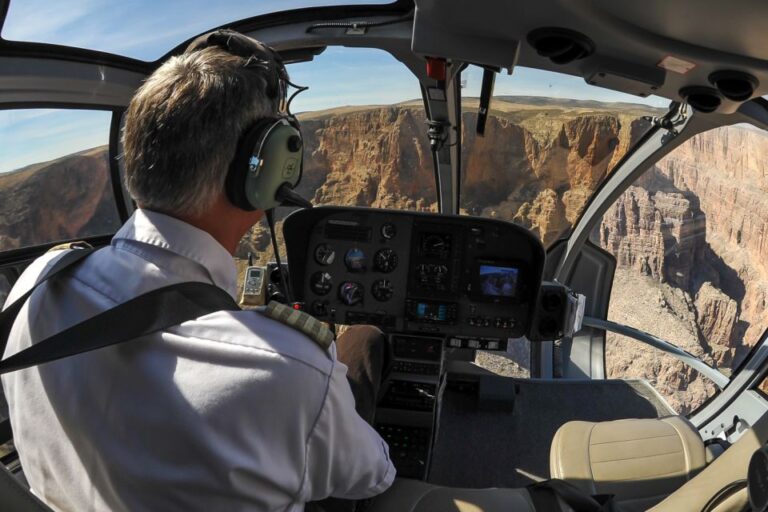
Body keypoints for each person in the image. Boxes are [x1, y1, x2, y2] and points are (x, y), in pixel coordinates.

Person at [1, 30, 394, 511]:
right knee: (365, 342)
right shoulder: (287, 371)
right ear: (265, 169)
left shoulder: (36, 283)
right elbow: (372, 475)